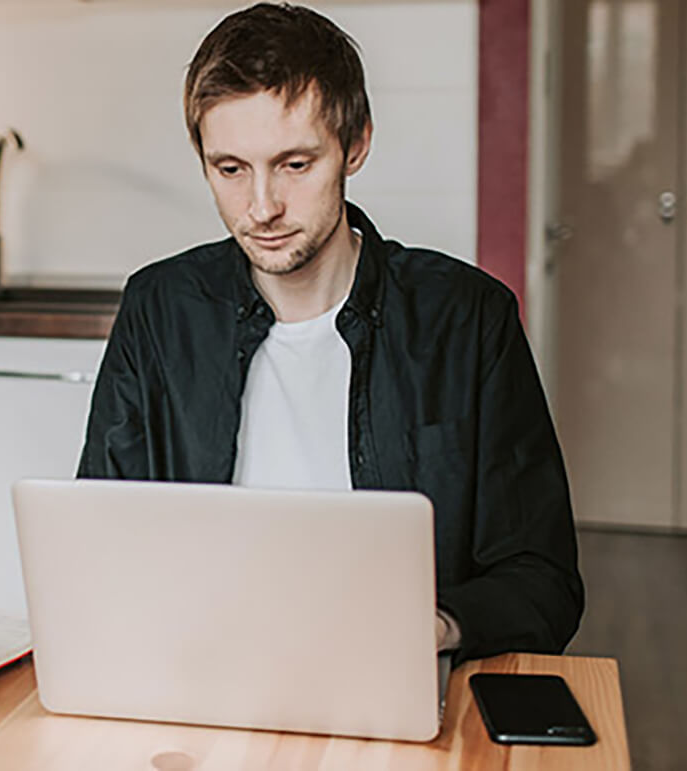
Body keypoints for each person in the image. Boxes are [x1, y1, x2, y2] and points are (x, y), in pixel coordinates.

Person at [77, 1, 582, 665]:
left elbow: (543, 583)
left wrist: (428, 627)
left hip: (390, 675)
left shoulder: (468, 318)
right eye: (230, 169)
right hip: (202, 669)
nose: (262, 208)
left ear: (356, 143)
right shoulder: (157, 309)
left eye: (294, 164)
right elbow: (98, 547)